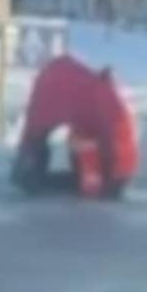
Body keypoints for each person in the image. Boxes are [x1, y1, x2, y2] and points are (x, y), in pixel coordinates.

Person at [10, 54, 138, 199]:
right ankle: (36, 176)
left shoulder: (68, 91)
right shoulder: (96, 94)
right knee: (49, 143)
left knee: (42, 142)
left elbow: (36, 130)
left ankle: (33, 176)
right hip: (116, 168)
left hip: (110, 168)